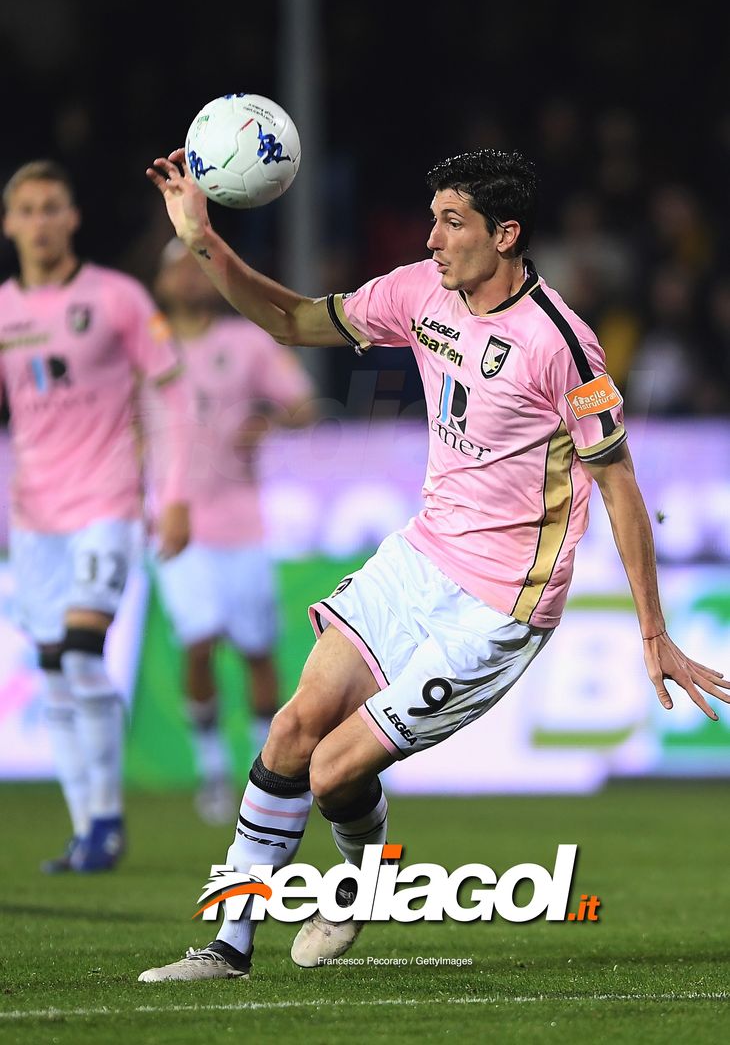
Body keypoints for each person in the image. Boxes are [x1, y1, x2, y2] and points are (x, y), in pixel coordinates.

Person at [139, 146, 728, 981]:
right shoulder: (419, 291)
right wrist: (203, 239)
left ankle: (361, 878)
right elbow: (294, 321)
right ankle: (227, 946)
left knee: (336, 770)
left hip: (499, 603)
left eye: (453, 223)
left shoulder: (562, 343)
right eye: (435, 220)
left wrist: (655, 631)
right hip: (419, 556)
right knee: (293, 729)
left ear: (507, 234)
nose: (434, 238)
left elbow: (620, 483)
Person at [0, 160, 191, 872]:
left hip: (106, 505)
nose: (42, 221)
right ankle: (87, 832)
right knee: (54, 669)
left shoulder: (116, 299)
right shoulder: (3, 312)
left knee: (80, 651)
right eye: (28, 209)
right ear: (9, 223)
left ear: (73, 218)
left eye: (54, 207)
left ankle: (106, 819)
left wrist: (172, 496)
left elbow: (170, 399)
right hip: (33, 518)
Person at [150, 238, 316, 823]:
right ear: (162, 282)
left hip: (241, 523)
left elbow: (303, 404)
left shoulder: (245, 343)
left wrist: (267, 418)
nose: (190, 281)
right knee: (197, 640)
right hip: (176, 526)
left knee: (256, 652)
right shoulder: (143, 348)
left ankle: (263, 770)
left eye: (199, 269)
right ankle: (214, 771)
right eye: (179, 270)